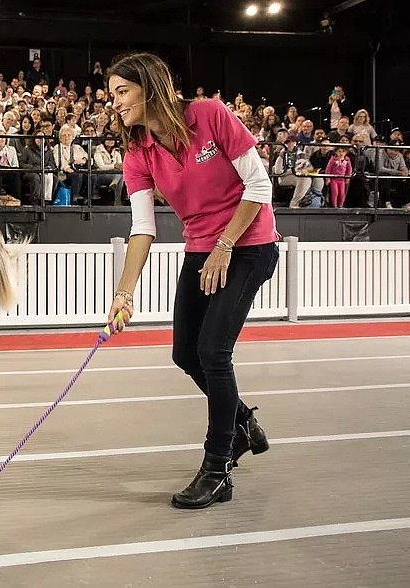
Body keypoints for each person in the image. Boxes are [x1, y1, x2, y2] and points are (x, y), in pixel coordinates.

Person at [105, 52, 279, 510]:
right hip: (202, 248)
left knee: (212, 352)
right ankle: (241, 422)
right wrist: (123, 293)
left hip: (249, 244)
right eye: (112, 95)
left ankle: (217, 467)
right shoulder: (138, 155)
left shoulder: (209, 115)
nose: (115, 103)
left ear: (150, 86)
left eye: (122, 91)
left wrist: (225, 246)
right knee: (185, 353)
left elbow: (259, 187)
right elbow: (143, 228)